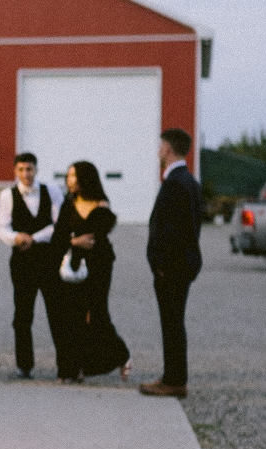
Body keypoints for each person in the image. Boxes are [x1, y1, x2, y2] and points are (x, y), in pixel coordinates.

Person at [49, 161, 132, 382]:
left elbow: (94, 238)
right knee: (71, 317)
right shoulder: (69, 204)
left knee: (95, 316)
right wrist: (74, 240)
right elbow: (59, 237)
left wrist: (74, 239)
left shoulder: (101, 207)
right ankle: (71, 370)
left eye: (73, 176)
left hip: (99, 267)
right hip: (71, 267)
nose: (69, 180)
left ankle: (121, 355)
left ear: (86, 178)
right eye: (67, 176)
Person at [142, 128, 204, 397]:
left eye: (160, 147)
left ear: (168, 149)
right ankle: (172, 376)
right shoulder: (189, 181)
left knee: (172, 323)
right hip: (182, 264)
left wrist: (161, 264)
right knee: (173, 322)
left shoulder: (176, 184)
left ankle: (175, 381)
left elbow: (173, 231)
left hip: (173, 267)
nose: (158, 152)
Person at [0, 151, 58, 379]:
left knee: (56, 311)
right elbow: (1, 227)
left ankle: (66, 363)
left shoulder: (51, 191)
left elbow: (58, 224)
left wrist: (35, 237)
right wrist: (15, 238)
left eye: (29, 169)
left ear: (36, 169)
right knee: (22, 313)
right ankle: (25, 364)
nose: (25, 174)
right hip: (21, 262)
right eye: (21, 170)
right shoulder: (7, 195)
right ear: (15, 171)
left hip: (49, 260)